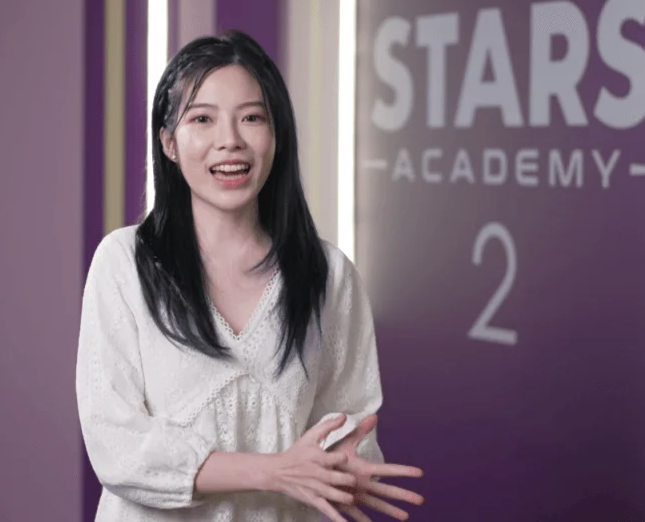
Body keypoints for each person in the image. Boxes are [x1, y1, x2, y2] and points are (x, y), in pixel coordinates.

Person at [76, 30, 424, 522]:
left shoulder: (328, 276)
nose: (230, 141)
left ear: (276, 136)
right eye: (202, 119)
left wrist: (342, 465)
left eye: (252, 118)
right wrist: (274, 471)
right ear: (169, 142)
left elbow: (348, 430)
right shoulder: (125, 263)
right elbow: (116, 445)